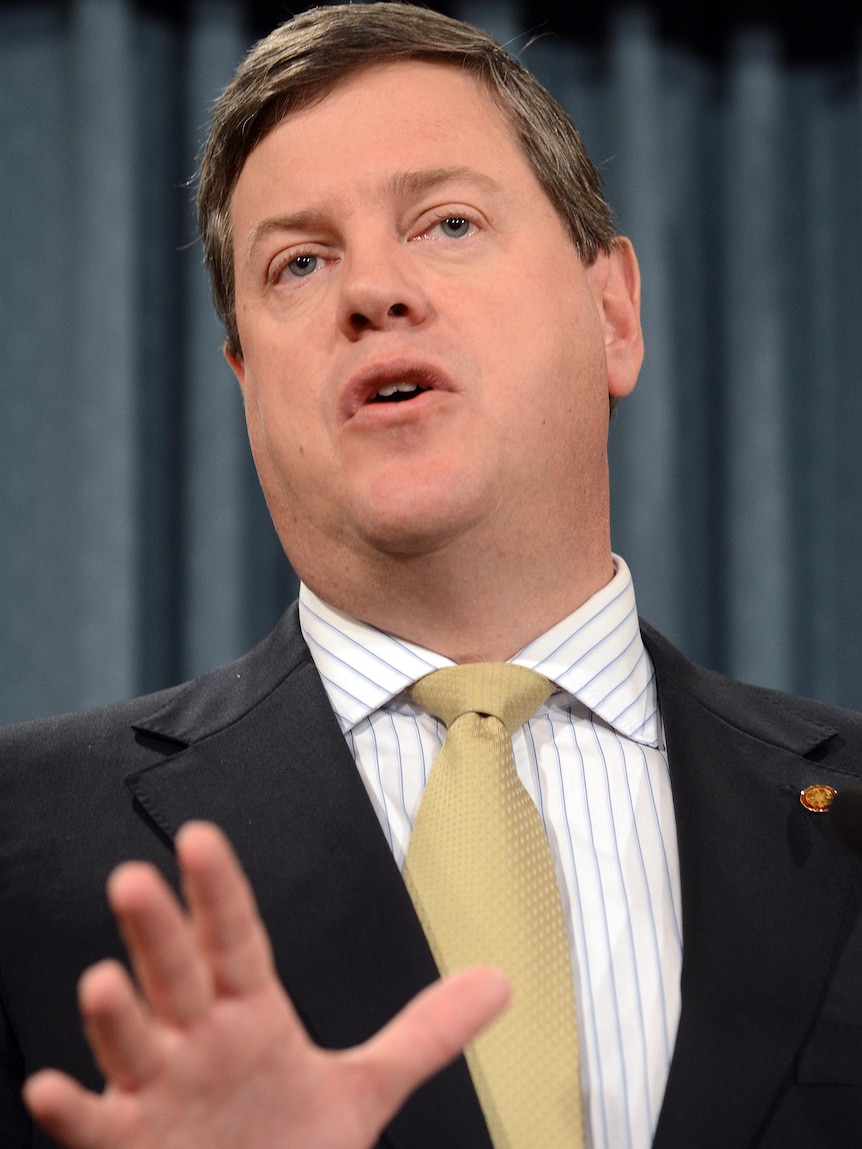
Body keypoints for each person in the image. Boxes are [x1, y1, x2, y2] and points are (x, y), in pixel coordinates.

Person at [3, 4, 862, 1148]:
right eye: (298, 262)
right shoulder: (24, 840)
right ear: (245, 376)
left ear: (613, 312)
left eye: (447, 224)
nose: (373, 292)